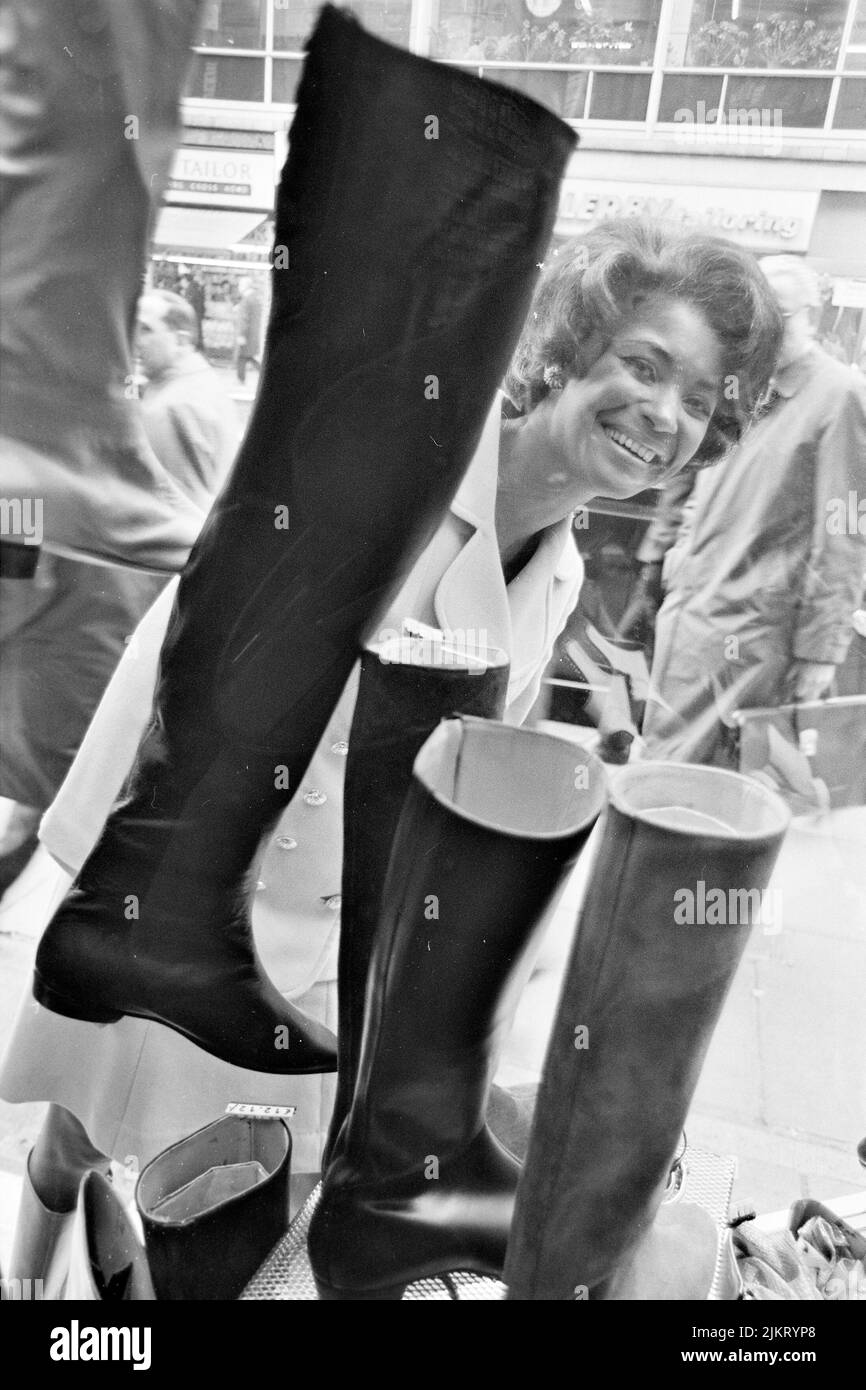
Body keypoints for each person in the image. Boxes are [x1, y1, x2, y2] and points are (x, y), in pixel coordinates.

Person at [0, 218, 784, 1293]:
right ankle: (36, 1286)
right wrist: (102, 870)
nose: (665, 415)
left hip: (328, 933)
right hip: (197, 885)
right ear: (563, 348)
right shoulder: (398, 467)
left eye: (697, 400)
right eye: (642, 366)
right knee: (83, 1124)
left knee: (238, 1182)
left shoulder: (552, 558)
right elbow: (178, 651)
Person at [642, 255, 866, 766]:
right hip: (693, 615)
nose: (759, 332)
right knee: (659, 763)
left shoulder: (841, 397)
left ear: (812, 314)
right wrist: (670, 559)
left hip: (754, 634)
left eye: (776, 318)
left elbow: (846, 530)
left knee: (693, 780)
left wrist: (820, 651)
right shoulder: (738, 387)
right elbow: (701, 482)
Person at [135, 290, 241, 510]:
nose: (135, 340)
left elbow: (178, 511)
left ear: (180, 340)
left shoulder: (173, 406)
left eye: (146, 329)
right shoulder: (202, 379)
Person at [234, 276, 264, 385]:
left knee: (242, 357)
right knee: (249, 357)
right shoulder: (255, 299)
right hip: (252, 335)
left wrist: (241, 334)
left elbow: (244, 319)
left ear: (245, 286)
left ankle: (240, 380)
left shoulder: (246, 300)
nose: (239, 287)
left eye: (240, 285)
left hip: (246, 335)